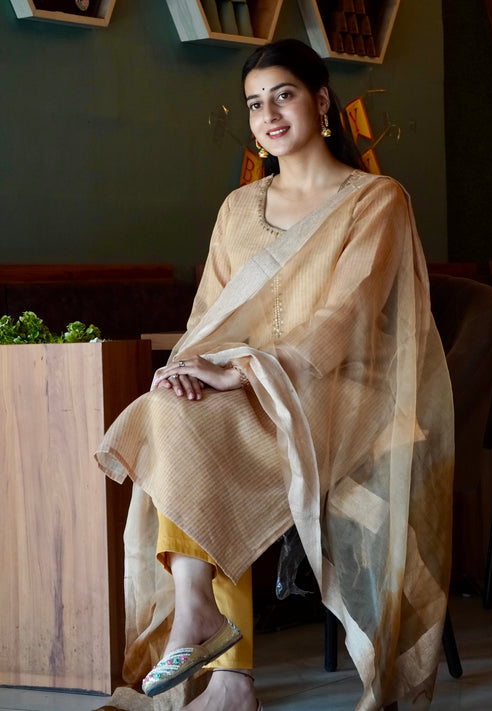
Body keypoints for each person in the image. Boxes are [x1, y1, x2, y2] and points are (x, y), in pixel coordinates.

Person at [95, 38, 454, 711]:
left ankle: (229, 675)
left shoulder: (376, 199)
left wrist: (246, 372)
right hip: (245, 387)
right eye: (254, 103)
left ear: (321, 100)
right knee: (173, 411)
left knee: (203, 438)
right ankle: (204, 623)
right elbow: (208, 314)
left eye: (283, 95)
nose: (268, 114)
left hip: (342, 393)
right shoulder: (238, 209)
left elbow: (348, 314)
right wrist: (189, 368)